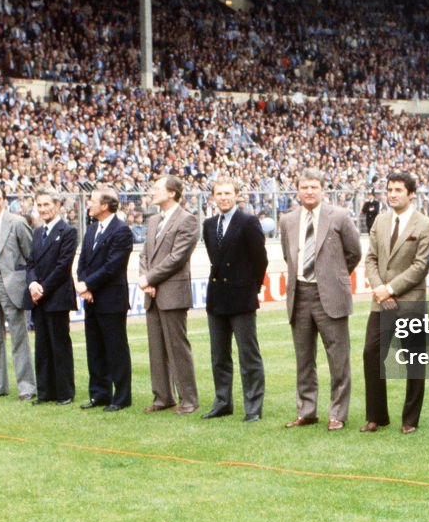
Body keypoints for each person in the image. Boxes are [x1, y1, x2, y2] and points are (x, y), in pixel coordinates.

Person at [279, 168, 362, 431]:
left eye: (314, 186)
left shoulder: (338, 216)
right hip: (300, 295)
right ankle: (307, 410)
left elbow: (354, 253)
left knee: (338, 359)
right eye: (305, 187)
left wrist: (331, 277)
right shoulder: (288, 220)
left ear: (323, 189)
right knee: (304, 359)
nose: (309, 191)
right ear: (298, 190)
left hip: (329, 296)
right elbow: (288, 256)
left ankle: (337, 413)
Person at [361, 172, 429, 435]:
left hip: (410, 302)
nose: (392, 194)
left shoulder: (425, 224)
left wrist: (390, 288)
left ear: (411, 194)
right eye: (390, 189)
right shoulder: (380, 221)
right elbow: (370, 258)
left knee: (414, 360)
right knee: (371, 355)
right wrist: (379, 287)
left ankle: (410, 419)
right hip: (381, 303)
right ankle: (376, 416)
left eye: (398, 190)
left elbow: (421, 266)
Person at [201, 177, 269, 422]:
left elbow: (260, 260)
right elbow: (214, 259)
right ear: (213, 197)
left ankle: (253, 407)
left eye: (228, 193)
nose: (224, 197)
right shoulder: (209, 225)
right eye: (219, 193)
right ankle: (222, 402)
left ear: (237, 195)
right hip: (217, 298)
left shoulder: (248, 222)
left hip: (242, 298)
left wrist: (252, 288)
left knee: (248, 355)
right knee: (219, 355)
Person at [138, 175, 200, 414]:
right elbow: (145, 254)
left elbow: (177, 257)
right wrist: (147, 280)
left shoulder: (187, 220)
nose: (152, 192)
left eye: (157, 188)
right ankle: (163, 396)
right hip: (153, 292)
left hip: (172, 292)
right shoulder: (154, 220)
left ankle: (189, 399)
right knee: (156, 347)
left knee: (177, 347)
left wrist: (150, 278)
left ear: (172, 193)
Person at [76, 186, 134, 412]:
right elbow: (83, 261)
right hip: (91, 299)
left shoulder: (121, 231)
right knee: (95, 349)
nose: (88, 204)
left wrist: (88, 284)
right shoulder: (91, 229)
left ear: (105, 205)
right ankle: (99, 394)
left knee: (115, 350)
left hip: (111, 300)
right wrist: (83, 284)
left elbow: (113, 266)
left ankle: (121, 396)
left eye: (92, 201)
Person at [0, 183, 36, 401]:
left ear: (4, 200)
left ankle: (26, 386)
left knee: (19, 335)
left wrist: (28, 282)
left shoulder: (17, 222)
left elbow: (31, 255)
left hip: (11, 282)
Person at [25, 189, 79, 406]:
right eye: (39, 205)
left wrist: (42, 288)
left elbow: (63, 266)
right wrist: (32, 283)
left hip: (56, 296)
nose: (43, 209)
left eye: (47, 204)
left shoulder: (68, 231)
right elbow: (30, 263)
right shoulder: (37, 232)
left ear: (57, 205)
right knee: (42, 346)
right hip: (39, 297)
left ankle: (65, 391)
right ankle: (45, 391)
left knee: (59, 345)